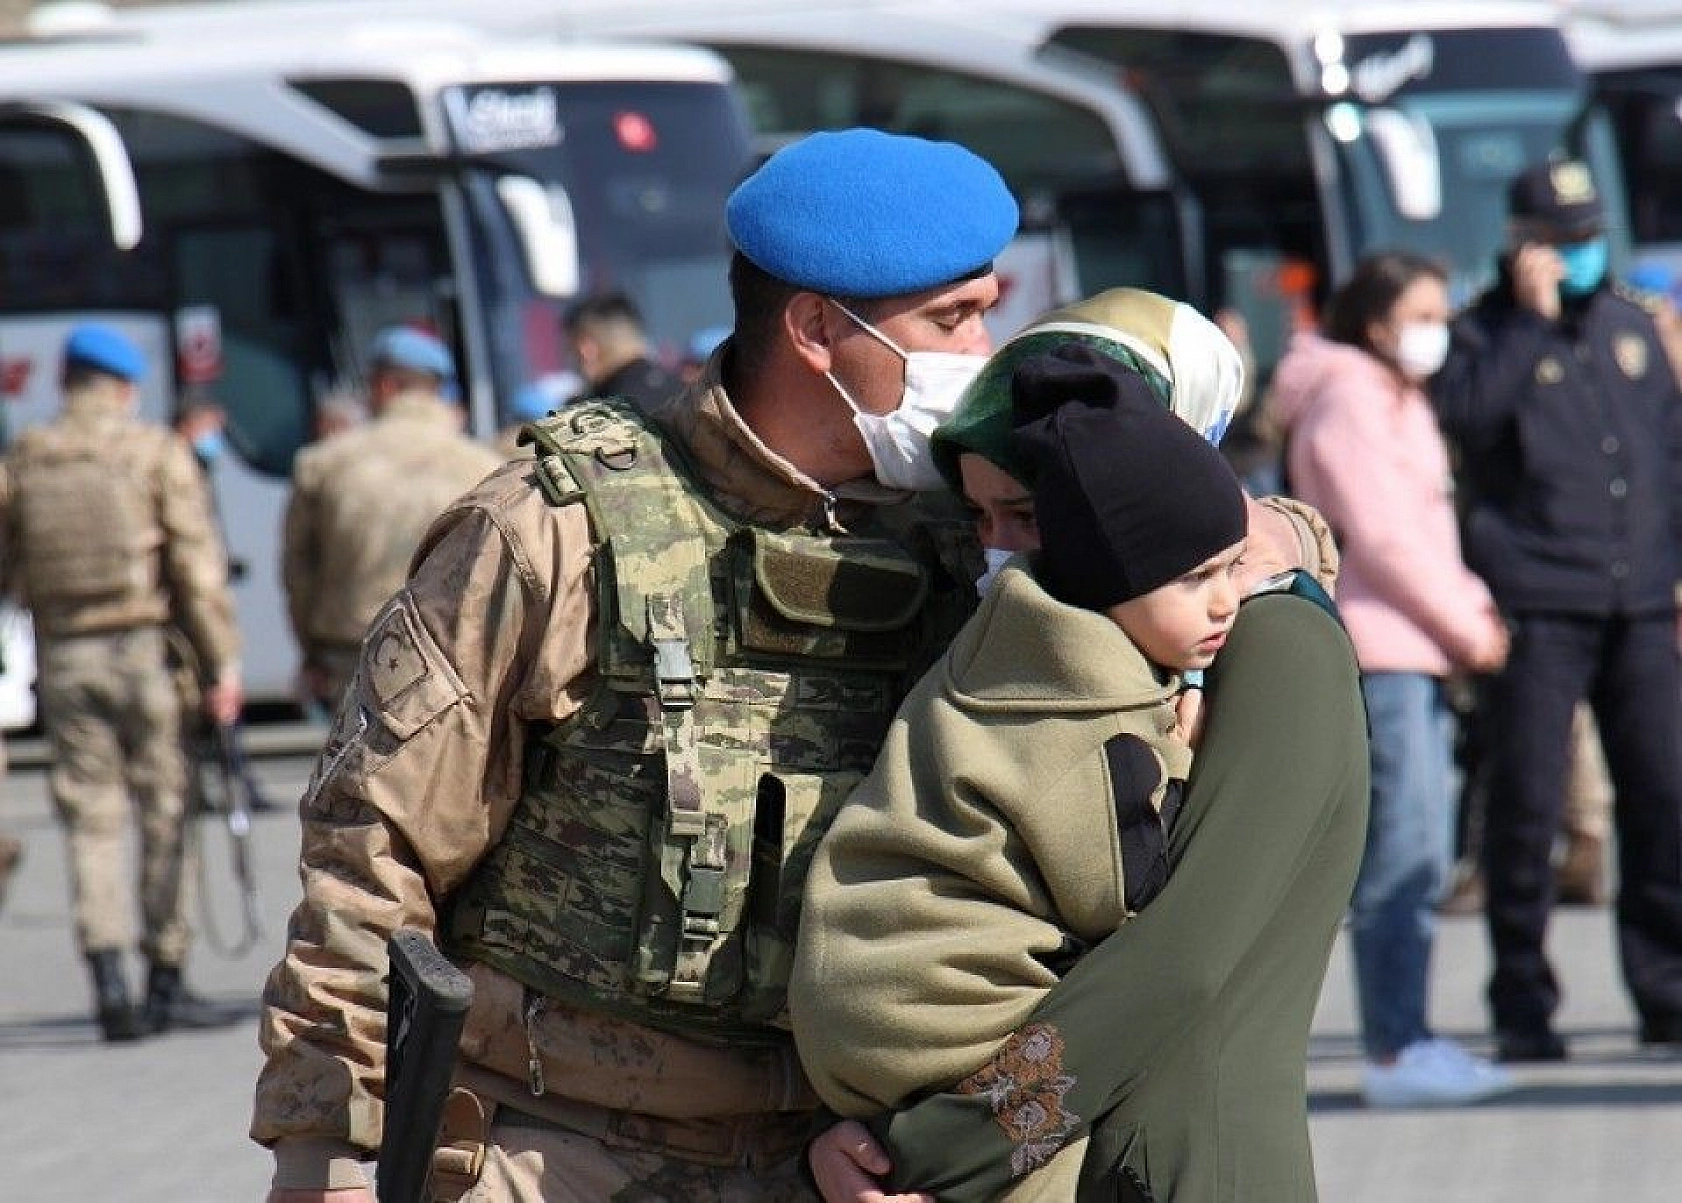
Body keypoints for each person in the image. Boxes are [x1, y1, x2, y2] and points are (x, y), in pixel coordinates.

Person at [250, 127, 1021, 1202]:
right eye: (950, 319)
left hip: (844, 1160)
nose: (981, 351)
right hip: (557, 1145)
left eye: (989, 308)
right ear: (812, 329)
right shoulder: (551, 529)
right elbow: (374, 839)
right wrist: (325, 1151)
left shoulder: (972, 528)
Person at [801, 291, 1351, 1201]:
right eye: (983, 519)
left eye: (1030, 509)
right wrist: (844, 1139)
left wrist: (928, 1147)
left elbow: (1177, 959)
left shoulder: (1272, 642)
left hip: (1184, 1164)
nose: (1008, 551)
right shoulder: (1058, 655)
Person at [1432, 156, 1682, 1062]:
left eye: (1586, 237)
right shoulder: (1484, 334)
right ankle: (1523, 1005)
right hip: (1538, 601)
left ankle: (1666, 993)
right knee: (1528, 807)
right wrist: (1530, 324)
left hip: (1641, 600)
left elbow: (1667, 454)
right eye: (1560, 242)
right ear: (1520, 245)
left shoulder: (1632, 324)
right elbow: (1466, 423)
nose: (1578, 255)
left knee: (1662, 797)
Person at [1270, 250, 1514, 1108]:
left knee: (1420, 851)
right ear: (1376, 322)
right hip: (1387, 649)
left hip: (1416, 646)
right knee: (1404, 857)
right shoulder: (1350, 398)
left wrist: (1464, 613)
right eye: (1423, 312)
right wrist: (1467, 622)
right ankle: (1396, 1048)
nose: (1436, 329)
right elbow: (1383, 536)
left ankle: (1406, 1036)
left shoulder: (1384, 393)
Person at [0, 322, 244, 1040]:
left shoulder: (28, 457)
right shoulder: (152, 452)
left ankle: (108, 977)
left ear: (66, 381)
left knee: (91, 818)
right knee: (166, 808)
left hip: (67, 657)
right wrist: (223, 661)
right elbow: (197, 569)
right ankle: (165, 976)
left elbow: (6, 566)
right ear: (125, 387)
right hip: (147, 654)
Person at [280, 325, 502, 717]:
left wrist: (311, 652)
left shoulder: (323, 464)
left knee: (356, 771)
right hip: (450, 656)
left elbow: (299, 572)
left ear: (383, 386)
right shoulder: (486, 469)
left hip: (352, 655)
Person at [562, 290, 684, 412]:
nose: (570, 358)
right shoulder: (686, 395)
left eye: (570, 348)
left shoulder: (590, 413)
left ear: (586, 349)